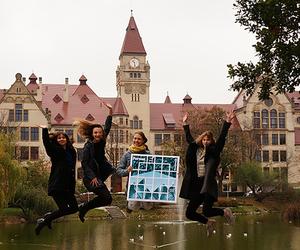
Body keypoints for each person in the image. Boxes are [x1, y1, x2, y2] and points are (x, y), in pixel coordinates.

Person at [179, 110, 235, 236]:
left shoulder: (214, 151)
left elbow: (221, 138)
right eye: (204, 139)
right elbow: (189, 138)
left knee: (207, 210)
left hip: (208, 185)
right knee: (189, 213)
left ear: (211, 141)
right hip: (196, 185)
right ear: (201, 140)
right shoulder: (195, 149)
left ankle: (225, 212)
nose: (205, 142)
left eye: (208, 140)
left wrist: (227, 122)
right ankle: (208, 222)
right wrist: (185, 123)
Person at [75, 103, 115, 222]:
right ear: (92, 134)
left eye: (99, 132)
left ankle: (84, 208)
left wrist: (110, 111)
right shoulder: (88, 146)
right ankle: (83, 208)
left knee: (107, 200)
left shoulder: (102, 140)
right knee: (107, 198)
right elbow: (84, 163)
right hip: (90, 178)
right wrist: (92, 177)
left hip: (100, 176)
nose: (98, 134)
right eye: (95, 133)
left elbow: (107, 127)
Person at [35, 126, 78, 235]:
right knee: (63, 209)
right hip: (58, 185)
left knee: (74, 208)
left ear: (66, 139)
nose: (61, 139)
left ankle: (48, 218)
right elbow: (46, 144)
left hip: (68, 186)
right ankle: (44, 221)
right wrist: (45, 130)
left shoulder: (71, 151)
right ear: (56, 140)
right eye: (59, 138)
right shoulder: (54, 151)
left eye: (63, 137)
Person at [116, 131, 153, 212]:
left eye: (139, 139)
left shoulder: (148, 155)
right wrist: (127, 171)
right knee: (132, 209)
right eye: (135, 138)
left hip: (146, 187)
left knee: (148, 208)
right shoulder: (127, 154)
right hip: (132, 187)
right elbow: (118, 171)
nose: (136, 140)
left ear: (143, 141)